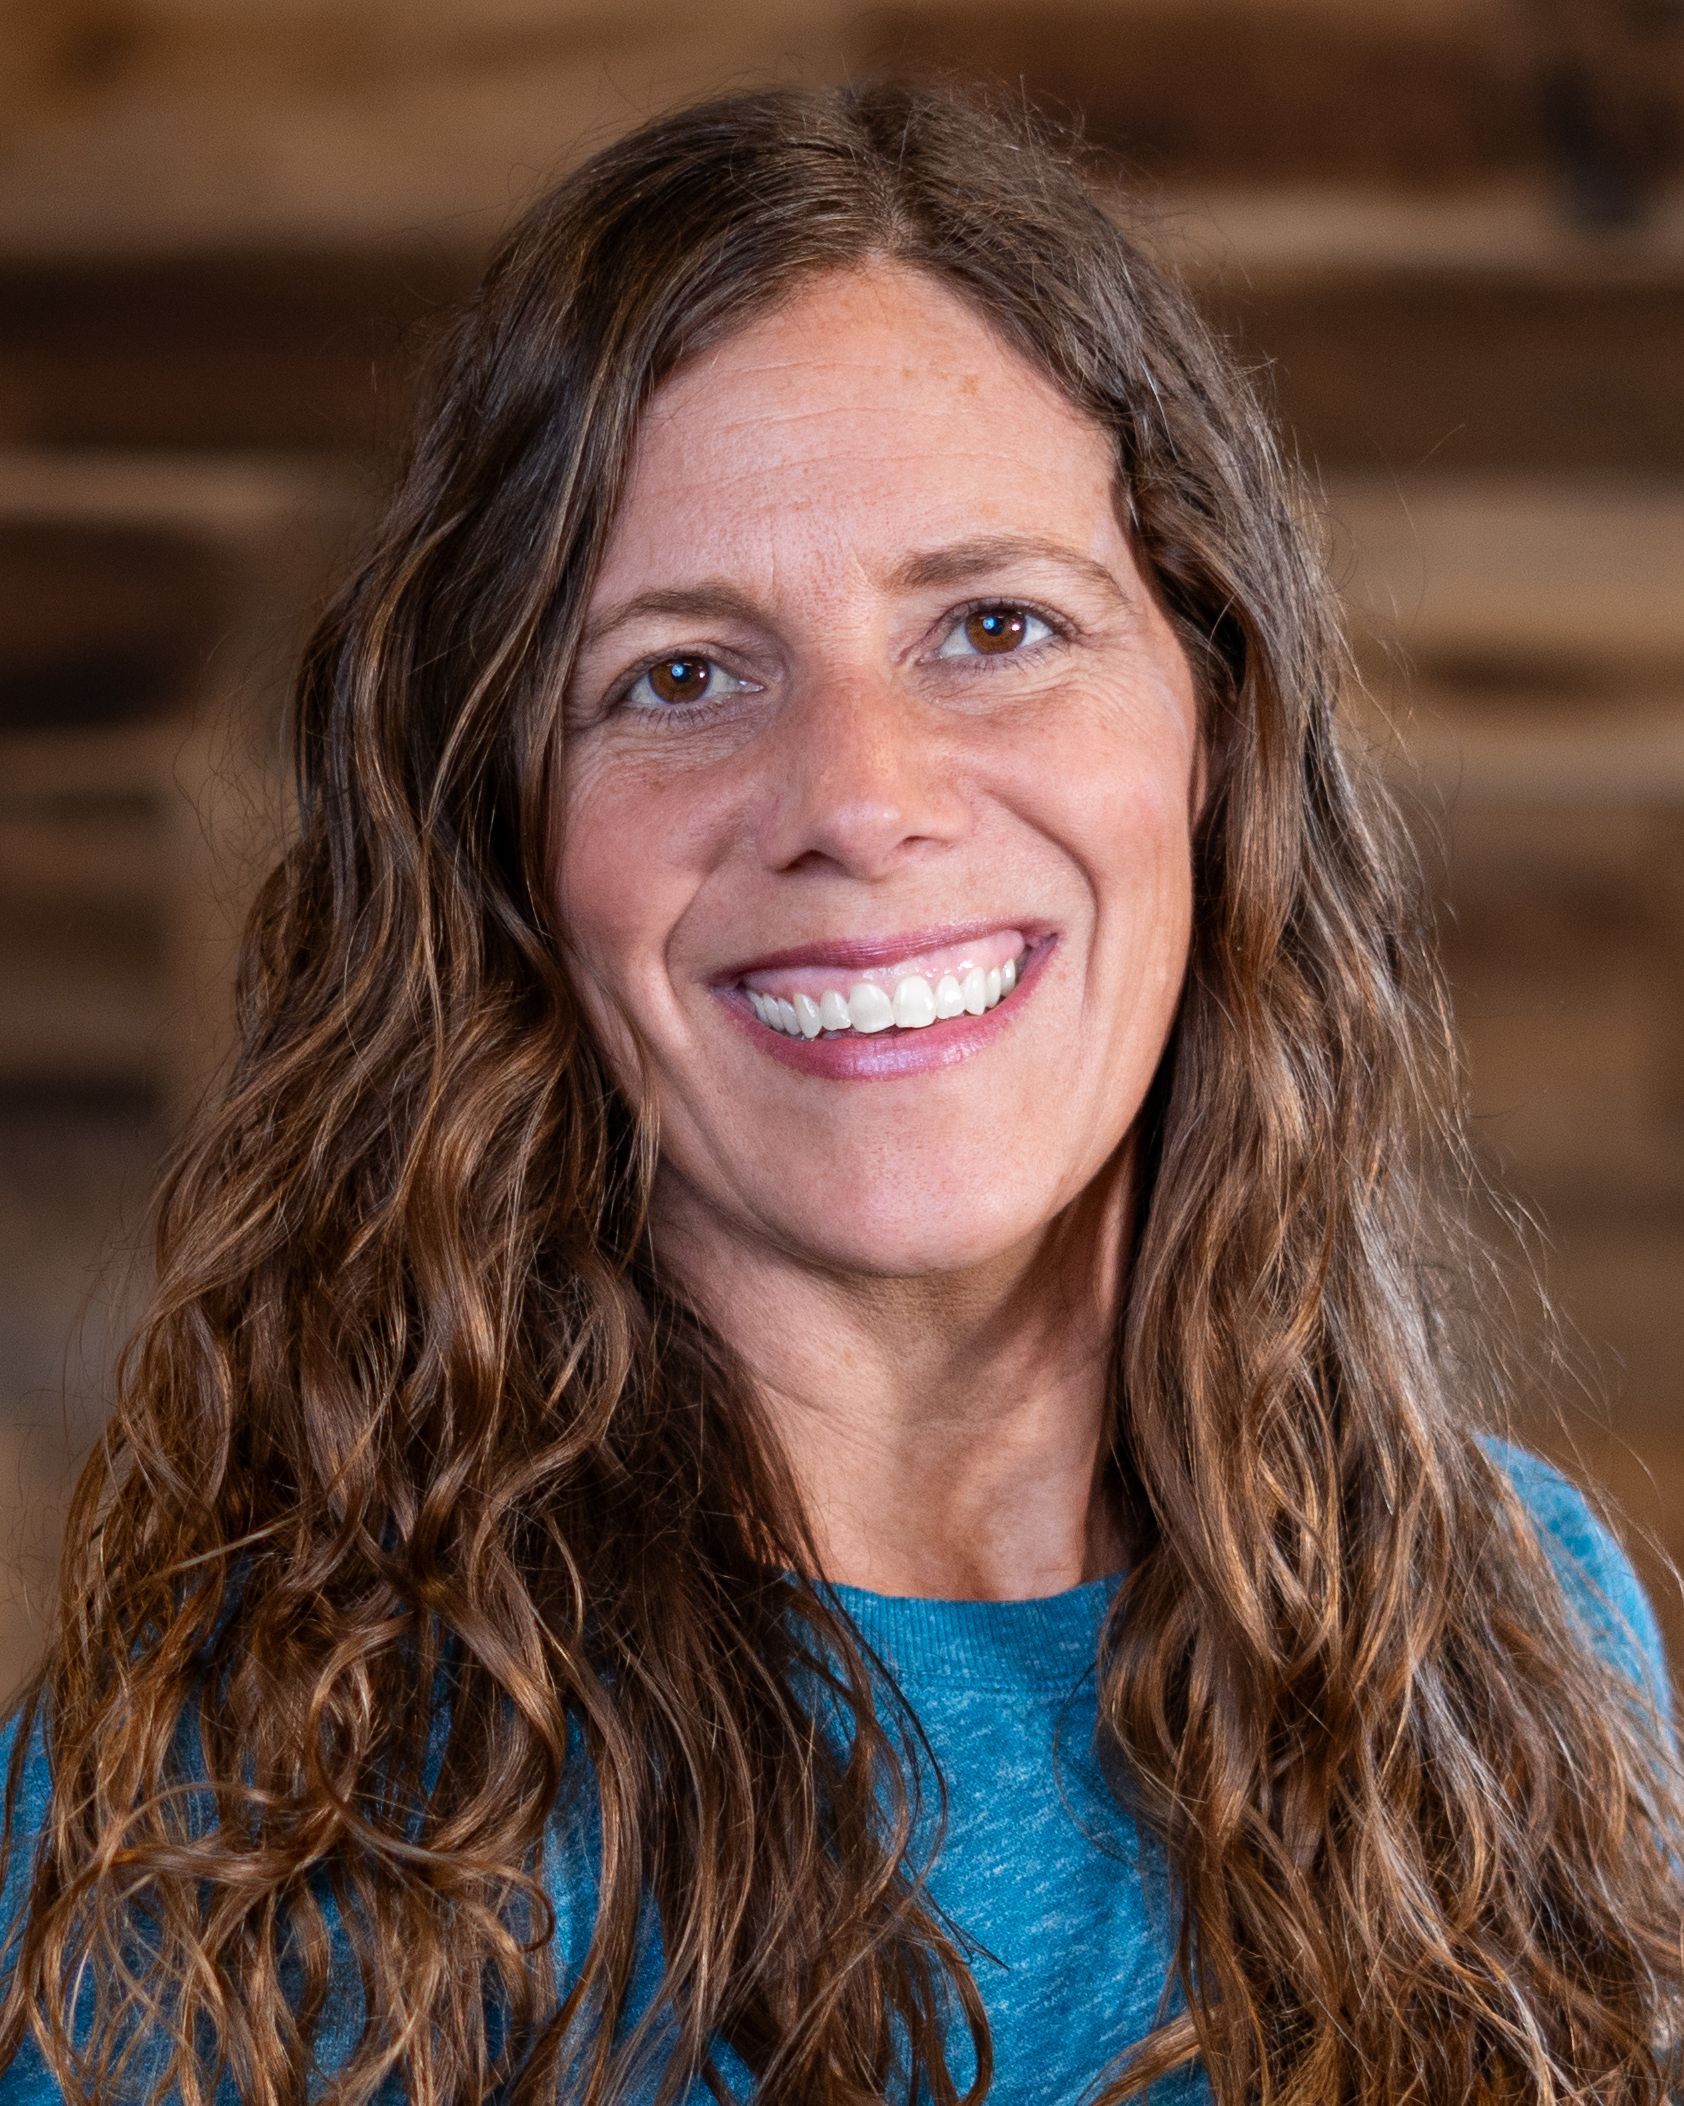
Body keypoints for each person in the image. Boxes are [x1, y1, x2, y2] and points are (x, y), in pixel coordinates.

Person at [1, 79, 1680, 2106]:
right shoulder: (258, 1799)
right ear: (510, 849)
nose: (860, 800)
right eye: (681, 676)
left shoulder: (1518, 1629)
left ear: (1209, 731)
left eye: (992, 626)